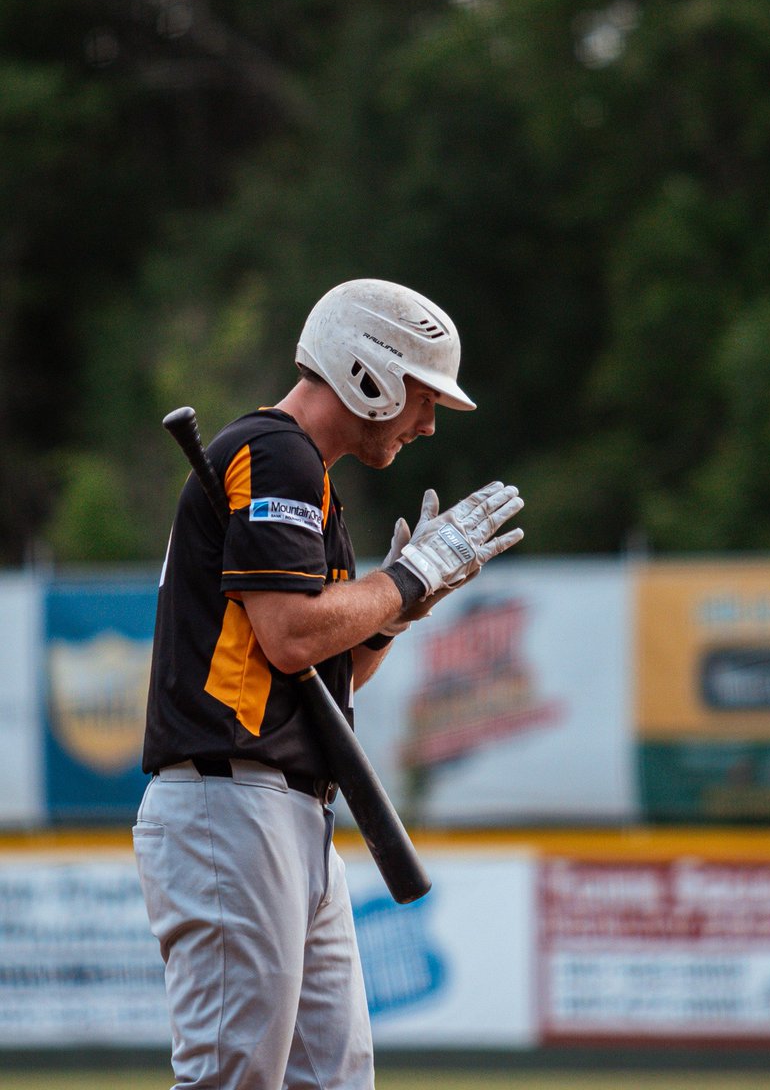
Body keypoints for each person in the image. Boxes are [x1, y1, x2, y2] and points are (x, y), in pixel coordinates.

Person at [133, 277, 524, 1090]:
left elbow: (328, 670)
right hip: (229, 803)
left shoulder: (310, 481)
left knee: (334, 1082)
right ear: (368, 372)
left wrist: (398, 607)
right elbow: (288, 636)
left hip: (283, 809)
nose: (425, 422)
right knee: (230, 1078)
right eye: (423, 396)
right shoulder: (276, 452)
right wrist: (407, 579)